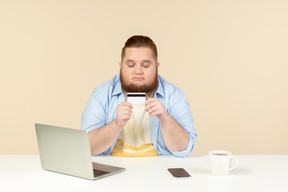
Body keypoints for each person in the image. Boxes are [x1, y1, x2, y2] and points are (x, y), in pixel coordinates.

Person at [81, 35, 197, 158]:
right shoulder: (102, 94)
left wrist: (165, 118)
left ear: (156, 67)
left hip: (159, 170)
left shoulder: (174, 95)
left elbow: (185, 149)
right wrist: (116, 124)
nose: (138, 71)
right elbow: (87, 147)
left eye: (145, 65)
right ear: (121, 66)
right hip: (113, 170)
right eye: (131, 65)